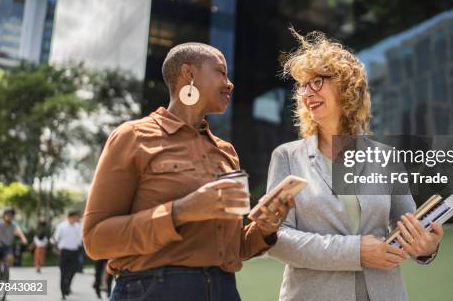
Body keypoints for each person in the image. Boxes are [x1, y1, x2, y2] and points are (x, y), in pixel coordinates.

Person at [83, 42, 294, 301]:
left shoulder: (226, 152)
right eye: (221, 72)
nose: (230, 83)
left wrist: (264, 228)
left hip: (224, 290)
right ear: (189, 74)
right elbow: (96, 240)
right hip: (153, 290)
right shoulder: (133, 137)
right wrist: (182, 210)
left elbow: (233, 248)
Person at [266, 30, 444, 301]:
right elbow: (276, 239)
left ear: (345, 86)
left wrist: (426, 247)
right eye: (302, 85)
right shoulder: (287, 157)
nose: (306, 93)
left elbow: (407, 227)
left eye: (316, 82)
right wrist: (356, 251)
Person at [0, 208, 28, 281]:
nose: (9, 216)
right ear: (4, 215)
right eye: (8, 214)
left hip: (7, 247)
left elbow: (20, 232)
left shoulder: (14, 225)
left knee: (11, 259)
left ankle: (3, 270)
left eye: (11, 215)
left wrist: (23, 239)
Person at [53, 211, 83, 300]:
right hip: (64, 252)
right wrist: (56, 249)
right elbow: (55, 238)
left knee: (74, 270)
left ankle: (67, 286)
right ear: (71, 217)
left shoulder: (78, 226)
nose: (78, 219)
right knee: (63, 273)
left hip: (75, 252)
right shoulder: (62, 226)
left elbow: (81, 237)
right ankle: (63, 292)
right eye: (77, 217)